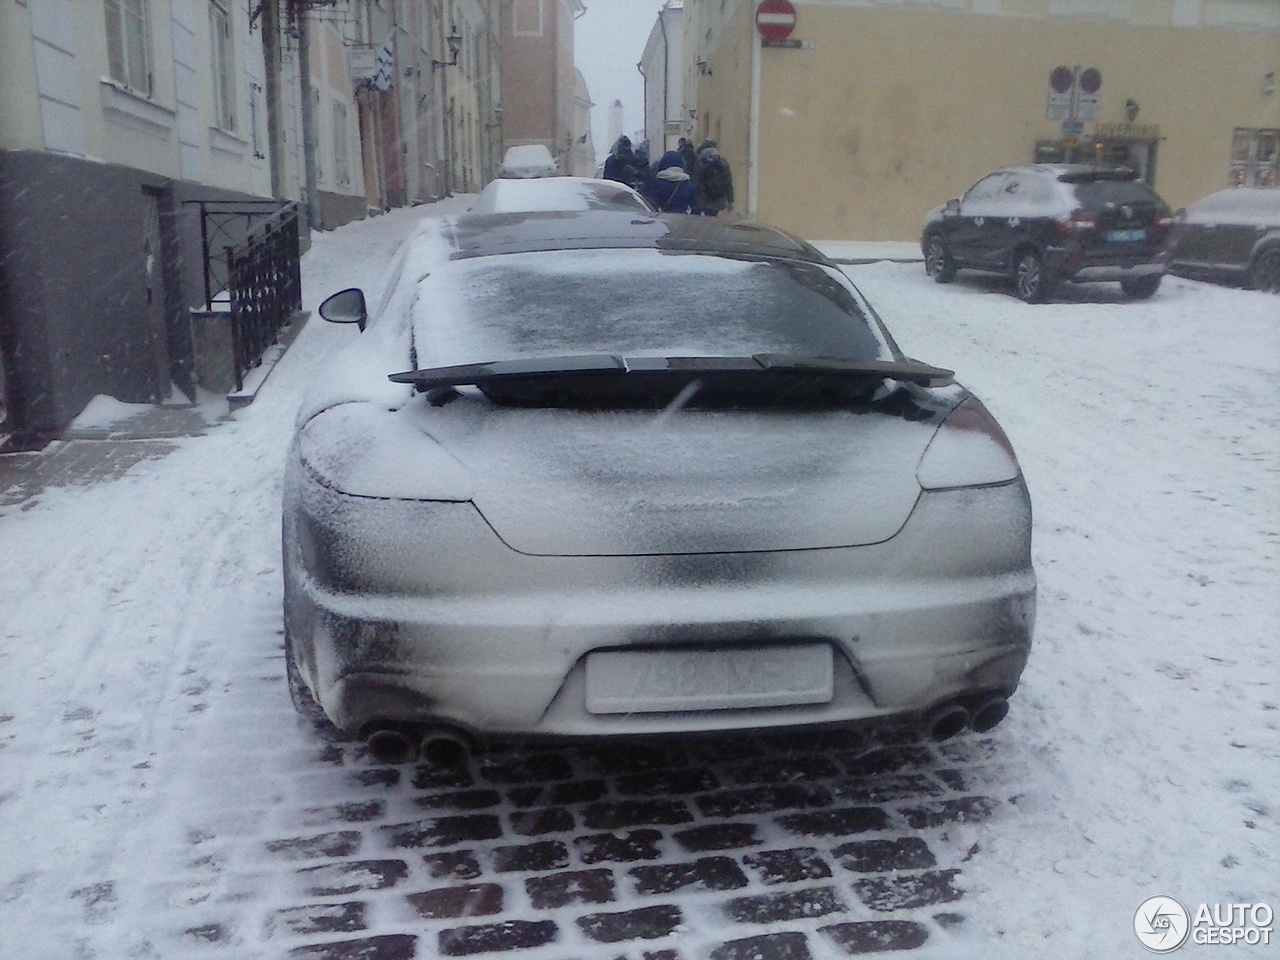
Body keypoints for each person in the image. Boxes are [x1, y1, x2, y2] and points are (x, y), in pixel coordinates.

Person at [694, 140, 735, 216]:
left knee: (707, 218)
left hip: (705, 200)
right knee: (715, 218)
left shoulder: (700, 162)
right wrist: (730, 201)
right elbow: (728, 183)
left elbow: (697, 183)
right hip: (719, 199)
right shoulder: (723, 163)